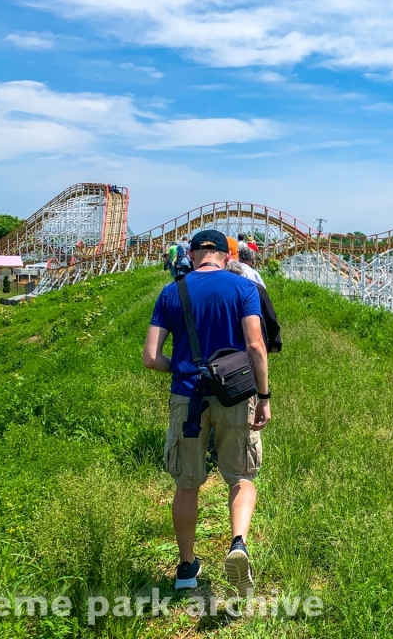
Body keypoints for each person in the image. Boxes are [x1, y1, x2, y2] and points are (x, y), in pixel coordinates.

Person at [142, 230, 271, 596]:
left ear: (192, 254)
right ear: (227, 257)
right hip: (235, 394)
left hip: (188, 397)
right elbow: (256, 346)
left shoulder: (172, 291)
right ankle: (238, 544)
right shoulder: (242, 288)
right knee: (241, 475)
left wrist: (184, 368)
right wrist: (264, 396)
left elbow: (151, 357)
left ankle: (185, 569)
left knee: (187, 482)